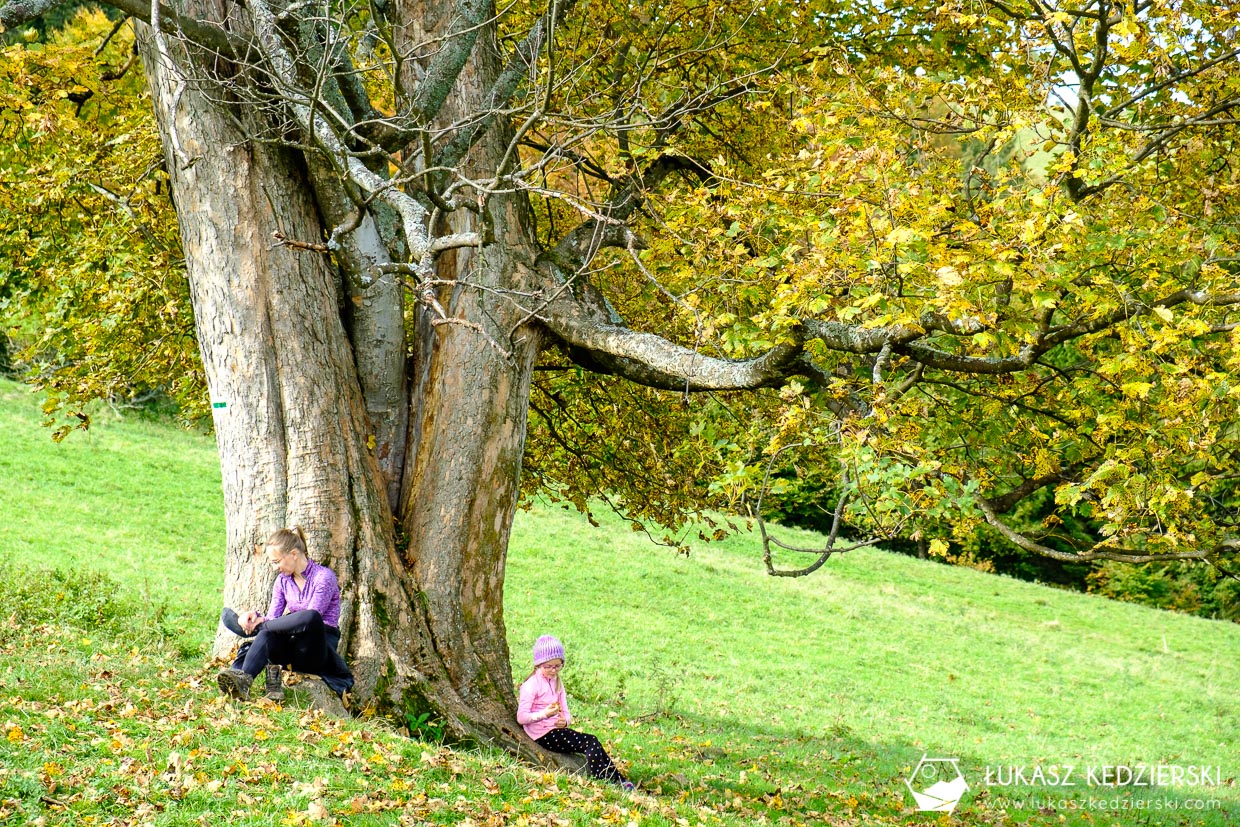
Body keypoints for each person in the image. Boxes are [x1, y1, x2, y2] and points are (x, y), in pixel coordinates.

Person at [217, 527, 354, 703]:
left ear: (294, 554)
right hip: (291, 643)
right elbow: (274, 618)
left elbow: (311, 618)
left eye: (276, 561)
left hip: (315, 648)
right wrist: (255, 617)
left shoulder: (323, 577)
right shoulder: (282, 581)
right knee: (268, 632)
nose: (275, 568)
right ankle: (243, 680)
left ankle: (257, 629)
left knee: (310, 616)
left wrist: (263, 624)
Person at [517, 635, 634, 791]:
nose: (553, 670)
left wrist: (565, 721)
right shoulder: (531, 685)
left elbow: (565, 711)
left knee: (593, 741)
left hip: (556, 729)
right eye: (548, 666)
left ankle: (618, 779)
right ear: (539, 665)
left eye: (557, 666)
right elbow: (521, 717)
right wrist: (544, 714)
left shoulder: (557, 682)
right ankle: (603, 779)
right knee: (590, 742)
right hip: (542, 735)